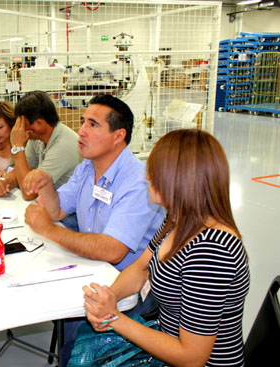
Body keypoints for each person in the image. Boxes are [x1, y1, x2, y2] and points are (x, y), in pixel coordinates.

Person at [82, 129, 250, 367]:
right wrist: (109, 297)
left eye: (154, 171)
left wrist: (113, 318)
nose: (147, 177)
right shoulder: (177, 220)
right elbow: (141, 268)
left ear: (178, 179)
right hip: (165, 347)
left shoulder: (212, 252)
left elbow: (192, 357)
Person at [22, 94, 164, 365]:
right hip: (94, 269)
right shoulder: (88, 167)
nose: (82, 131)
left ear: (118, 135)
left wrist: (49, 231)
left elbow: (113, 250)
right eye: (82, 122)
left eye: (93, 125)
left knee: (76, 332)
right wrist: (46, 183)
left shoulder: (136, 181)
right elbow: (57, 210)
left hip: (130, 286)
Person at [0, 90, 79, 200]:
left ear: (38, 123)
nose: (19, 127)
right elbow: (25, 168)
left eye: (22, 122)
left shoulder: (63, 146)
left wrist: (18, 146)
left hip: (68, 214)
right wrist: (6, 183)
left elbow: (29, 193)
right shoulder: (37, 137)